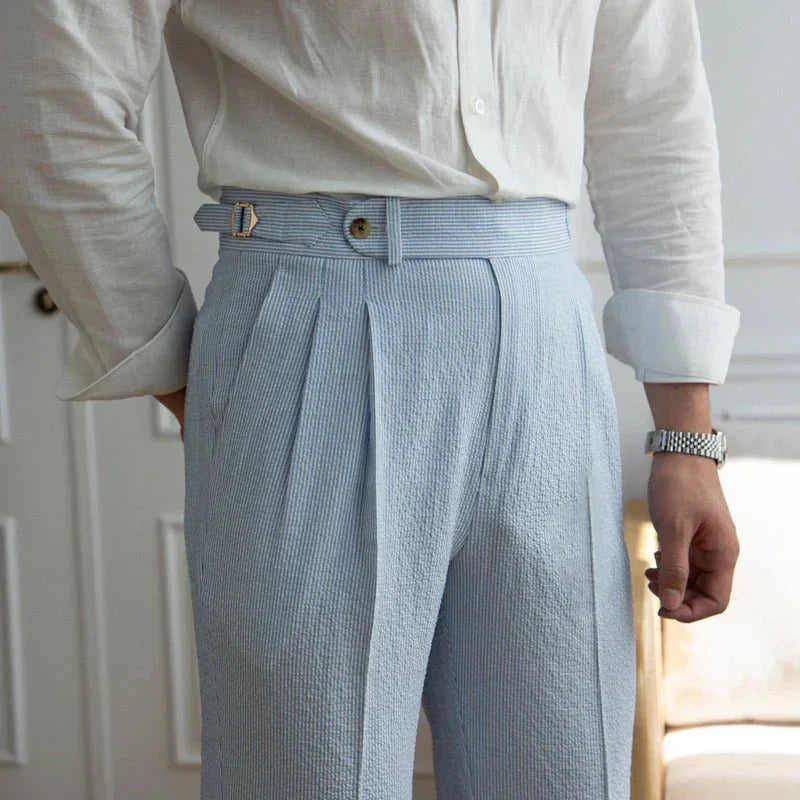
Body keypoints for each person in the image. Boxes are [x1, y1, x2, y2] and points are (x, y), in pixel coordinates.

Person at [0, 1, 742, 798]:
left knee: (563, 770)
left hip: (548, 343)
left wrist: (687, 437)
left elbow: (653, 117)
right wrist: (183, 371)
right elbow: (50, 102)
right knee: (308, 774)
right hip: (314, 325)